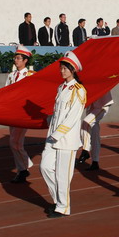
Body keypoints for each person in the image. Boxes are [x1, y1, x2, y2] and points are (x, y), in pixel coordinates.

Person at [40, 51, 86, 218]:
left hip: (66, 138)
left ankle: (63, 207)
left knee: (62, 174)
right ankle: (58, 199)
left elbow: (73, 116)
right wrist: (48, 121)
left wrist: (58, 133)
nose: (62, 71)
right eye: (61, 68)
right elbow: (57, 112)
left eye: (65, 68)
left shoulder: (79, 90)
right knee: (45, 167)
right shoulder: (61, 87)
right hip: (53, 135)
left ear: (73, 70)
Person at [5, 45, 35, 183]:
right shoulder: (11, 75)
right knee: (15, 143)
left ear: (25, 60)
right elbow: (5, 92)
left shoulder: (31, 76)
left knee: (14, 142)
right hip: (12, 112)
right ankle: (22, 170)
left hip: (23, 114)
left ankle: (24, 167)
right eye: (15, 58)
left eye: (18, 58)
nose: (16, 60)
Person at [78, 91, 114, 171]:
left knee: (86, 122)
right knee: (95, 134)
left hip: (102, 105)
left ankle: (85, 150)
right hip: (91, 106)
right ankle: (95, 161)